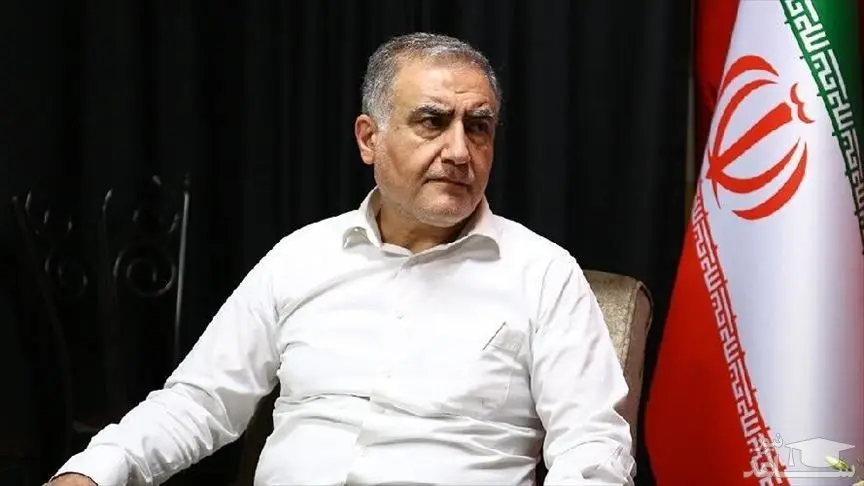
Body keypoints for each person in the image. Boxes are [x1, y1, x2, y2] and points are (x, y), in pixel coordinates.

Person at [47, 32, 635, 486]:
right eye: (432, 121)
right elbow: (200, 401)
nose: (459, 150)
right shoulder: (301, 258)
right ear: (368, 138)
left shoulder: (544, 274)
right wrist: (93, 472)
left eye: (478, 127)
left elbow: (591, 449)